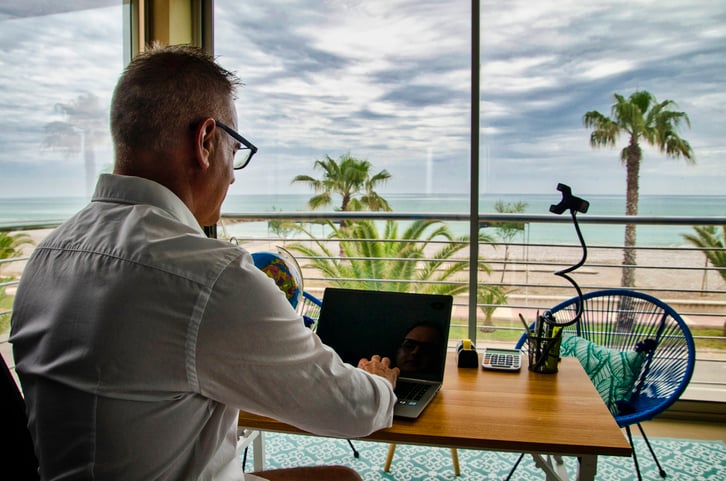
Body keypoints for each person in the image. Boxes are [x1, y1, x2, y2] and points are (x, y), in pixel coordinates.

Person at [10, 44, 399, 481]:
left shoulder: (47, 254)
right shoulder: (208, 277)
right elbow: (350, 409)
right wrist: (381, 384)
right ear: (206, 141)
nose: (233, 174)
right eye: (236, 151)